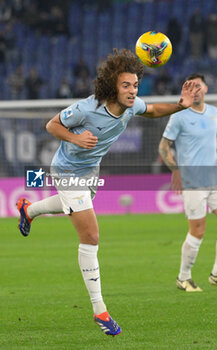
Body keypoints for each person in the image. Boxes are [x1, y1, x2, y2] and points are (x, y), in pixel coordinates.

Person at [17, 49, 199, 335]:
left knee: (73, 206)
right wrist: (76, 137)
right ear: (112, 85)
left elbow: (152, 111)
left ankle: (29, 210)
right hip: (67, 170)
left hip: (90, 171)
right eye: (126, 85)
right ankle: (99, 310)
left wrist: (182, 105)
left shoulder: (132, 105)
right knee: (90, 235)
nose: (132, 90)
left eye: (135, 85)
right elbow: (52, 125)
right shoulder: (87, 108)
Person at [159, 73, 217, 292]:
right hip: (193, 182)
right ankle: (184, 277)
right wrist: (175, 170)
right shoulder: (179, 116)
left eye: (198, 87)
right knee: (198, 230)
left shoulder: (214, 112)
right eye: (191, 88)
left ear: (206, 88)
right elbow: (164, 146)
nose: (196, 91)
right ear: (187, 92)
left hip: (215, 179)